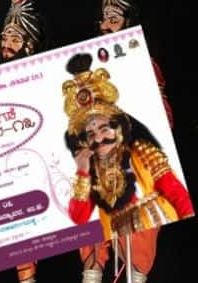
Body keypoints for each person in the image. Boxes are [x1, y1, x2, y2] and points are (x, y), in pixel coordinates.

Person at [72, 0, 177, 283]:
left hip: (135, 163)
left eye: (114, 19)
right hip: (98, 163)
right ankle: (92, 271)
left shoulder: (145, 64)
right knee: (92, 226)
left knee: (139, 230)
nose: (105, 25)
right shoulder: (86, 68)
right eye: (104, 19)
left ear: (129, 22)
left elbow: (163, 117)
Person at [62, 53, 193, 283]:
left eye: (103, 128)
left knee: (140, 246)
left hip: (141, 226)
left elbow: (174, 191)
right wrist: (82, 172)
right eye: (90, 134)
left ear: (118, 127)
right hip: (106, 224)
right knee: (90, 234)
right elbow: (78, 217)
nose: (98, 138)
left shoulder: (142, 153)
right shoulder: (90, 166)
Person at [0, 0, 49, 283]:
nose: (7, 45)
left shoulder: (40, 79)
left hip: (26, 171)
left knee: (24, 243)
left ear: (30, 46)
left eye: (15, 40)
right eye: (5, 39)